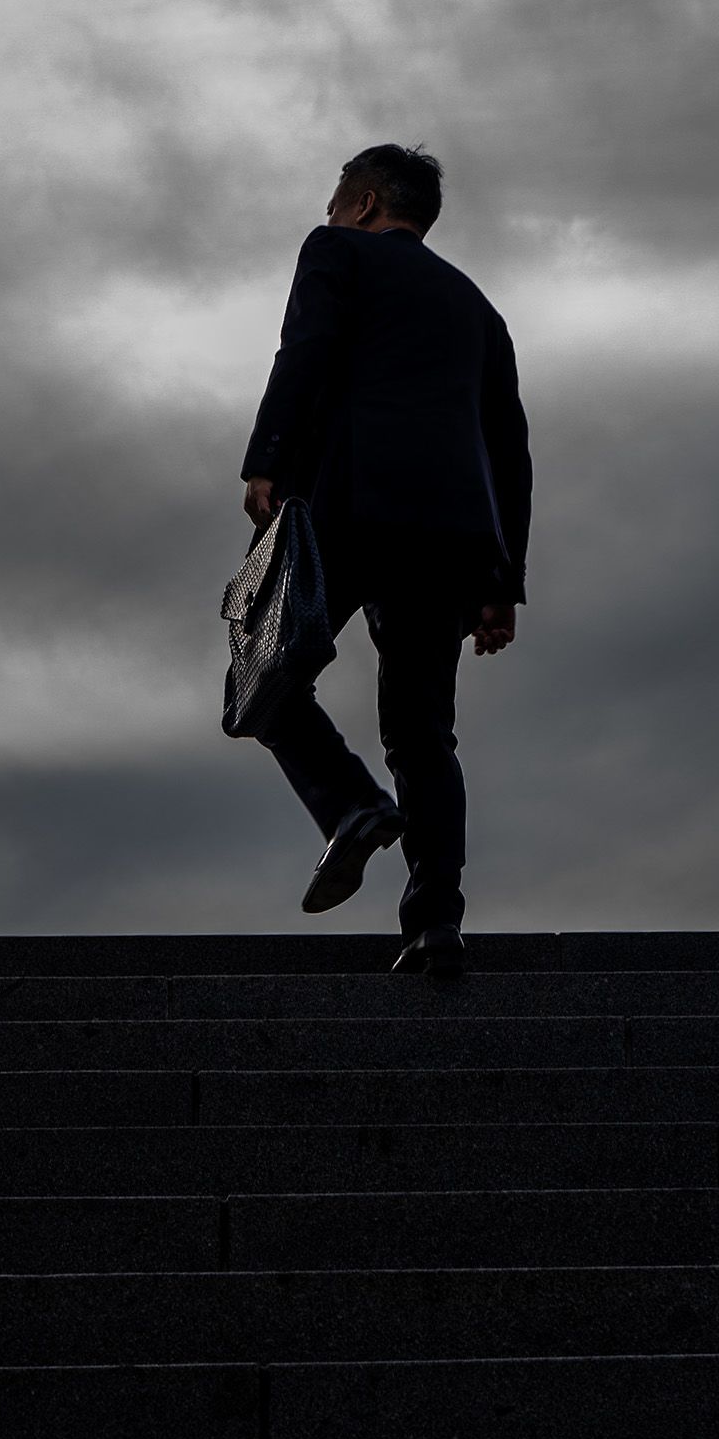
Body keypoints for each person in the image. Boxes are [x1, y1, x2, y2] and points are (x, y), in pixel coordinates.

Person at [238, 144, 530, 975]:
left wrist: (267, 456)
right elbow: (509, 452)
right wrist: (501, 583)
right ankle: (436, 921)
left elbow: (308, 348)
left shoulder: (335, 250)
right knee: (423, 733)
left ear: (363, 204)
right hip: (450, 537)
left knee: (261, 671)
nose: (331, 215)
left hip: (346, 501)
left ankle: (352, 806)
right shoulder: (480, 309)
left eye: (338, 202)